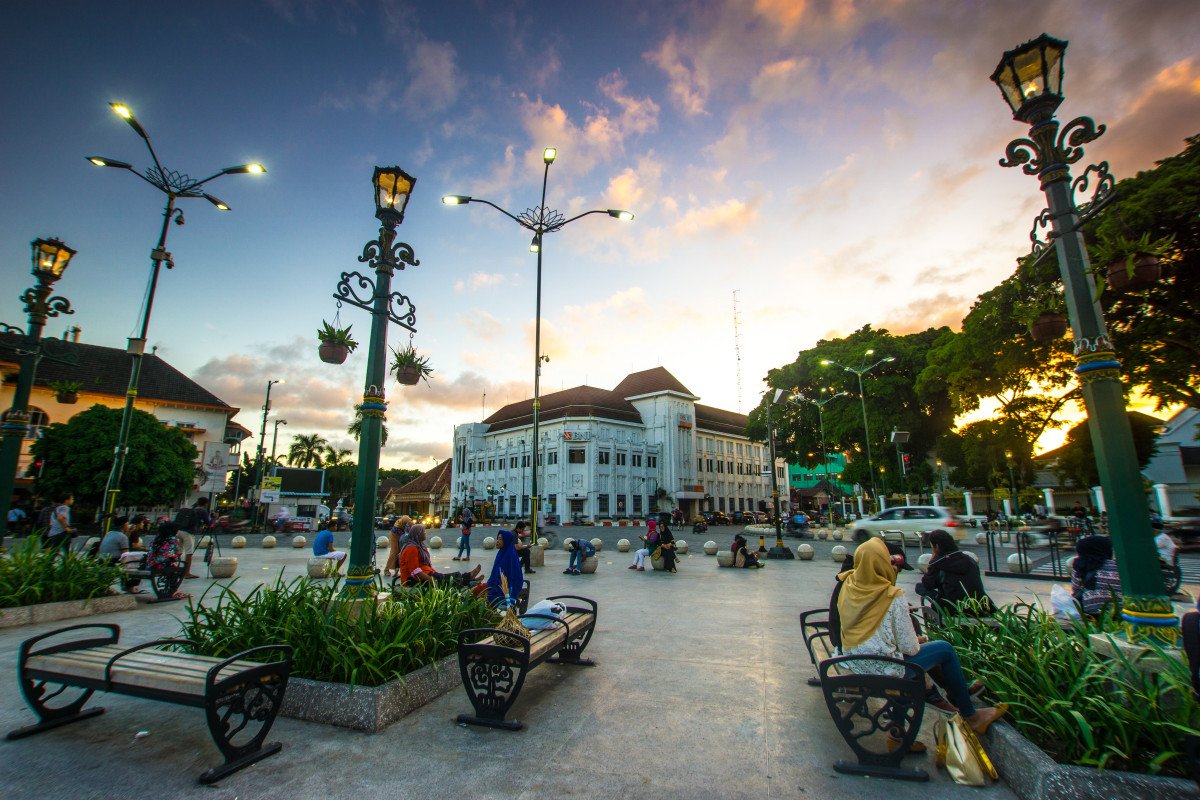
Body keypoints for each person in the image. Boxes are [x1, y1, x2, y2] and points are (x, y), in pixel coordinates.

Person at [836, 537, 1006, 736]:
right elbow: (910, 648)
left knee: (911, 666)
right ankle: (971, 714)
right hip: (879, 666)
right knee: (943, 649)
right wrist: (917, 640)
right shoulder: (890, 595)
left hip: (854, 659)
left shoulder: (849, 584)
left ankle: (897, 733)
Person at [915, 530, 995, 614]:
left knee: (920, 587)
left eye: (932, 547)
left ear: (937, 547)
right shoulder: (969, 559)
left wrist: (932, 561)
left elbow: (927, 584)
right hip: (980, 604)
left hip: (954, 608)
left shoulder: (938, 563)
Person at [398, 523, 487, 597]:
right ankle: (469, 578)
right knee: (447, 579)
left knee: (447, 578)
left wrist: (434, 574)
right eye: (424, 532)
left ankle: (470, 579)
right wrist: (432, 580)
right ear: (418, 534)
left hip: (425, 573)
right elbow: (415, 571)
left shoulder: (418, 546)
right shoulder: (411, 548)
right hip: (413, 580)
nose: (425, 533)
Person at [1072, 535, 1122, 616]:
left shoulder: (1080, 566)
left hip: (1091, 613)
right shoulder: (1117, 565)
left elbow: (1076, 589)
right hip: (1120, 612)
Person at [98, 516, 145, 594]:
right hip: (113, 561)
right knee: (138, 564)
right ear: (123, 525)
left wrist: (129, 532)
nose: (129, 525)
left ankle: (128, 586)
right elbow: (125, 555)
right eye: (127, 524)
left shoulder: (109, 533)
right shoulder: (122, 537)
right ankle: (130, 586)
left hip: (102, 560)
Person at [145, 522, 188, 600]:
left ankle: (173, 590)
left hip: (151, 565)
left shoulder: (157, 539)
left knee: (172, 567)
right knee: (176, 568)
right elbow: (172, 555)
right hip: (161, 566)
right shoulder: (172, 540)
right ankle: (174, 591)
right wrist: (177, 555)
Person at [173, 497, 212, 579]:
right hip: (188, 532)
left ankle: (175, 569)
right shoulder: (202, 511)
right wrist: (214, 519)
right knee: (189, 553)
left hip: (178, 530)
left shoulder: (191, 509)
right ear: (205, 504)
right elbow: (208, 523)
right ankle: (186, 573)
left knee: (178, 552)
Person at [487, 529, 524, 608]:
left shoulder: (510, 555)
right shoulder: (501, 553)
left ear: (506, 540)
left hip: (505, 592)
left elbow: (512, 578)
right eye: (498, 538)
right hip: (497, 586)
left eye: (500, 539)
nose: (497, 541)